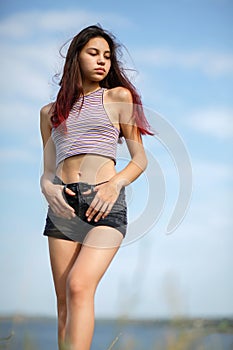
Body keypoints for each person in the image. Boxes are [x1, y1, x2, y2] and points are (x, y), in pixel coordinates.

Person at [40, 25, 153, 350]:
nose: (102, 60)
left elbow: (139, 159)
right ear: (77, 56)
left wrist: (114, 184)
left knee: (79, 286)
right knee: (63, 306)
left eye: (107, 55)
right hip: (62, 206)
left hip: (105, 202)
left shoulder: (118, 97)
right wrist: (48, 188)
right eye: (94, 53)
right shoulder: (50, 113)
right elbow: (47, 171)